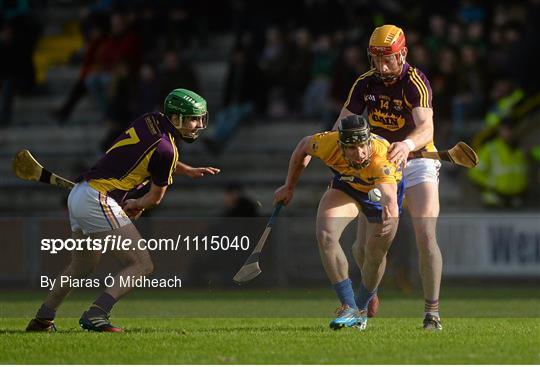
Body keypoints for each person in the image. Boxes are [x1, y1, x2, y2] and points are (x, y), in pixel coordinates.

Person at [26, 89, 220, 332]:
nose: (199, 125)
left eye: (201, 118)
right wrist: (138, 204)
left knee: (82, 266)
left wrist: (186, 170)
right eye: (194, 119)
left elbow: (152, 159)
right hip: (99, 199)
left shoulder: (150, 120)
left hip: (79, 194)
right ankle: (97, 313)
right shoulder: (167, 149)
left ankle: (43, 318)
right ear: (176, 118)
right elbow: (155, 197)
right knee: (141, 263)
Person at [332, 25, 443, 330]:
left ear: (402, 54)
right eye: (376, 60)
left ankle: (432, 312)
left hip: (417, 161)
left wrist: (406, 144)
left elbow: (426, 129)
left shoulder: (415, 83)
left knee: (426, 234)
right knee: (362, 249)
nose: (382, 67)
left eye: (388, 59)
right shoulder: (365, 83)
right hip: (379, 165)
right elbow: (342, 123)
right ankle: (372, 288)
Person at [274, 115, 404, 330]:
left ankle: (364, 303)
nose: (360, 153)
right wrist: (289, 186)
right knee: (325, 234)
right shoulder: (327, 143)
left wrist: (391, 213)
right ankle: (349, 306)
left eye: (363, 146)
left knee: (373, 255)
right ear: (341, 145)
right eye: (352, 148)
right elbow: (302, 147)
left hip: (378, 192)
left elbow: (389, 195)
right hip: (348, 185)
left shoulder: (381, 159)